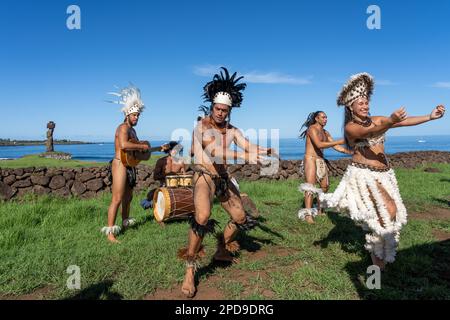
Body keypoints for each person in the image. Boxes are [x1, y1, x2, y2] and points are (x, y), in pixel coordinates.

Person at [300, 73, 446, 270]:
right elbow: (367, 133)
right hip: (364, 175)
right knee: (387, 212)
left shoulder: (376, 119)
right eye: (360, 103)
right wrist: (389, 121)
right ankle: (377, 266)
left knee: (389, 214)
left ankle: (379, 263)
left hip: (385, 174)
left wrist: (429, 116)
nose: (365, 105)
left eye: (366, 102)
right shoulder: (350, 127)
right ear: (350, 107)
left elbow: (402, 122)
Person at [180, 67, 272, 297]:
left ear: (230, 110)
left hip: (223, 178)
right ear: (212, 106)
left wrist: (261, 150)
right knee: (201, 217)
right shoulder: (202, 127)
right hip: (204, 177)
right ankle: (190, 267)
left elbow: (246, 144)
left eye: (224, 110)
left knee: (240, 217)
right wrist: (246, 156)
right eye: (217, 109)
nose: (220, 113)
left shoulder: (233, 130)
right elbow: (215, 152)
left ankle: (222, 248)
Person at [101, 85, 151, 243]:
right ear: (128, 114)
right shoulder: (122, 128)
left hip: (129, 165)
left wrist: (145, 150)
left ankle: (125, 222)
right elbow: (123, 145)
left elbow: (134, 150)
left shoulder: (133, 131)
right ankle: (110, 232)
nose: (137, 118)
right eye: (134, 115)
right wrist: (142, 146)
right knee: (117, 198)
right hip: (119, 165)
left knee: (128, 198)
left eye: (138, 115)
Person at [298, 111, 352, 224]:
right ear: (317, 119)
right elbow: (319, 145)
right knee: (310, 187)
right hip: (310, 159)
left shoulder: (326, 132)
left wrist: (350, 152)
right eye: (323, 117)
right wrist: (342, 140)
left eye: (326, 117)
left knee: (325, 186)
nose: (325, 119)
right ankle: (308, 215)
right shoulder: (312, 129)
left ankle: (319, 209)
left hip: (320, 160)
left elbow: (336, 146)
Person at [141, 141, 187, 209]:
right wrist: (167, 175)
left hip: (177, 188)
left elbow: (184, 177)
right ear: (169, 150)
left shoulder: (181, 162)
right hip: (164, 187)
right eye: (174, 149)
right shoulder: (161, 161)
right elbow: (155, 177)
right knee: (150, 195)